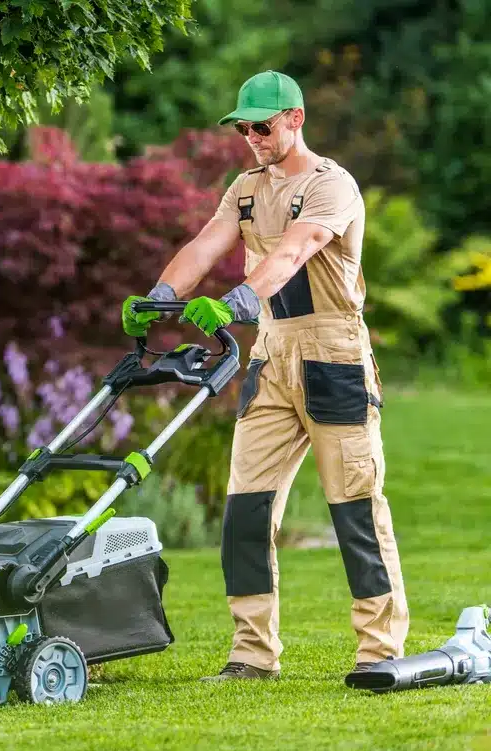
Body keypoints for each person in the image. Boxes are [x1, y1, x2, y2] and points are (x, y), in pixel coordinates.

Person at [120, 70, 409, 683]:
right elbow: (206, 244)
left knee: (355, 508)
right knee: (246, 510)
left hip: (333, 356)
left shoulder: (334, 186)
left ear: (296, 118)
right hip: (271, 358)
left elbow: (294, 252)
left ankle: (381, 652)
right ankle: (251, 655)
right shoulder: (246, 188)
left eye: (262, 125)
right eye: (243, 127)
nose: (250, 136)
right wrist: (158, 296)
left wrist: (235, 304)